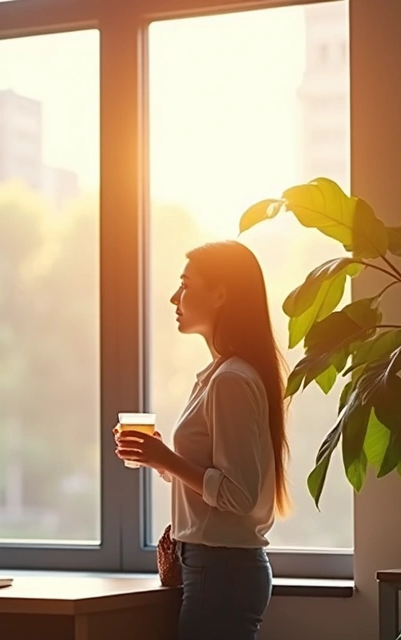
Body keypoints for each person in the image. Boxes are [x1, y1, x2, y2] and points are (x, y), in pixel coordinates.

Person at [115, 240, 290, 640]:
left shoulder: (230, 380)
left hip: (221, 570)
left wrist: (168, 458)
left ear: (221, 293)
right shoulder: (220, 375)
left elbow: (238, 495)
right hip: (214, 569)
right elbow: (217, 481)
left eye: (186, 284)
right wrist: (159, 458)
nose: (175, 296)